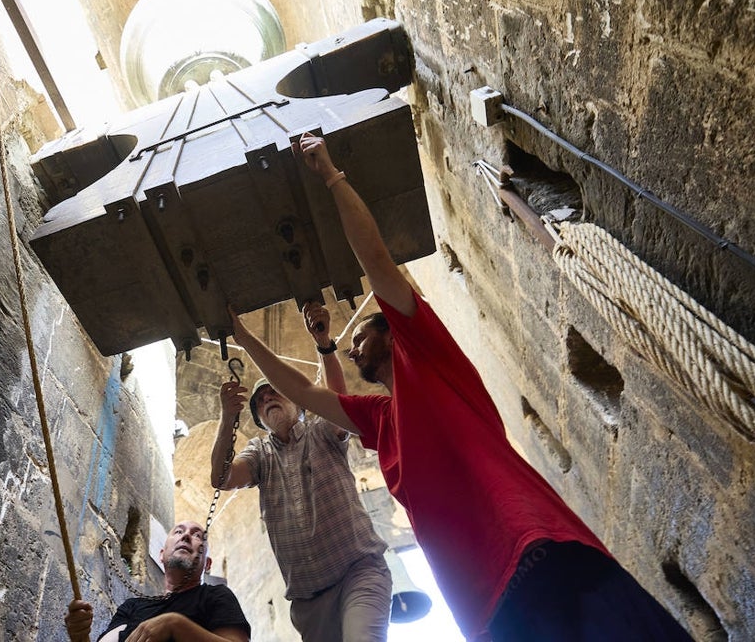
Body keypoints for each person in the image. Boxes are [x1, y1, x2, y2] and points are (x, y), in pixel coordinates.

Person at [226, 131, 694, 641]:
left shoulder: (424, 356)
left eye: (360, 335)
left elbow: (377, 264)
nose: (352, 345)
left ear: (393, 332)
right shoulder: (380, 421)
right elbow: (306, 393)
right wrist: (248, 341)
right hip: (485, 611)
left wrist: (330, 175)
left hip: (531, 546)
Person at [210, 302, 392, 641]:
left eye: (275, 393)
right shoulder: (260, 454)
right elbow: (221, 478)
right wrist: (226, 418)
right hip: (309, 602)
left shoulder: (320, 429)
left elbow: (336, 397)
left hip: (358, 574)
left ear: (296, 401)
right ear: (260, 422)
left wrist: (324, 343)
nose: (268, 399)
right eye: (261, 401)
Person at [63, 520, 251, 642]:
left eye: (197, 535)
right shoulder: (132, 607)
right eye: (178, 532)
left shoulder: (215, 596)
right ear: (162, 555)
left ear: (207, 564)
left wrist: (175, 625)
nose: (186, 536)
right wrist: (80, 637)